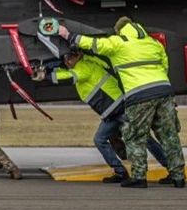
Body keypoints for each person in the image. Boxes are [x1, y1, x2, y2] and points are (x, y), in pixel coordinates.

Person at [58, 17, 186, 188]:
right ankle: (178, 177)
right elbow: (164, 65)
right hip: (163, 91)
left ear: (119, 30)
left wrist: (68, 35)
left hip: (140, 95)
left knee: (135, 137)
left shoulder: (119, 42)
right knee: (169, 136)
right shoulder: (153, 43)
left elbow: (95, 44)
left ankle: (139, 178)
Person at [35, 49, 170, 184]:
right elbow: (64, 72)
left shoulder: (85, 66)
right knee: (100, 139)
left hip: (120, 110)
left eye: (70, 57)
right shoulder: (81, 64)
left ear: (79, 55)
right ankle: (120, 172)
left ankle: (171, 169)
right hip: (112, 113)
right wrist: (46, 70)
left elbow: (69, 77)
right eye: (65, 58)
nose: (67, 61)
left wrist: (45, 76)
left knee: (145, 139)